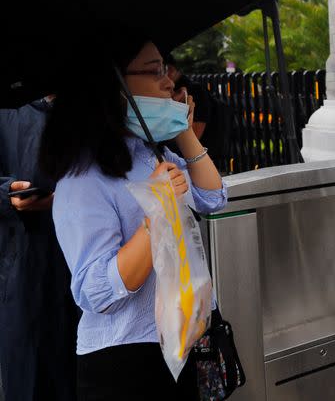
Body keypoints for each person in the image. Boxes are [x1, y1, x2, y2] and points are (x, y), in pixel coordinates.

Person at [39, 37, 227, 400]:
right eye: (155, 71)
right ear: (112, 85)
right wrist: (155, 212)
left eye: (165, 68)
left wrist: (183, 130)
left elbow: (212, 198)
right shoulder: (82, 179)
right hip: (124, 360)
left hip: (180, 339)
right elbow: (96, 291)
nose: (169, 81)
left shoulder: (145, 152)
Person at [0, 96, 80, 401]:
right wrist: (7, 193)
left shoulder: (86, 104)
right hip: (21, 261)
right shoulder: (9, 106)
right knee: (29, 375)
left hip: (78, 255)